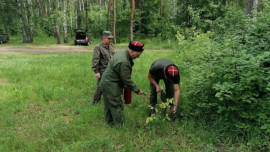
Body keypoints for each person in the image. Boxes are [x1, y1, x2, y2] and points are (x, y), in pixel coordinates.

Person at [99, 41, 145, 126]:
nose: (137, 57)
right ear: (131, 51)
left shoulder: (123, 52)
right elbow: (126, 79)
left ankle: (110, 123)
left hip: (106, 83)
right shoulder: (124, 61)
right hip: (111, 85)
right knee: (117, 106)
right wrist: (137, 90)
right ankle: (119, 126)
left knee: (109, 105)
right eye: (137, 55)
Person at [91, 31, 115, 104]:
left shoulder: (111, 46)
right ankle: (95, 102)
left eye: (111, 39)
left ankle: (110, 101)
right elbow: (95, 60)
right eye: (109, 39)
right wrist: (96, 72)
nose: (110, 40)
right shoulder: (98, 47)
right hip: (103, 70)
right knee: (100, 86)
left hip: (111, 70)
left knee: (112, 86)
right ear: (104, 38)